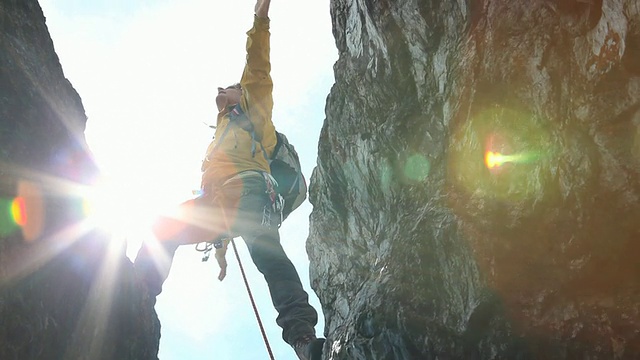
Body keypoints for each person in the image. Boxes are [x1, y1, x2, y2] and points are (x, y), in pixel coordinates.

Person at [133, 1, 325, 359]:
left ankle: (302, 339)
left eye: (230, 86)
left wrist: (260, 17)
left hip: (253, 189)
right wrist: (220, 249)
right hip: (224, 200)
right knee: (164, 228)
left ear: (243, 93)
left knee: (268, 255)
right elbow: (217, 208)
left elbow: (258, 64)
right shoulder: (221, 131)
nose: (222, 87)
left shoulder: (255, 111)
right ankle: (137, 295)